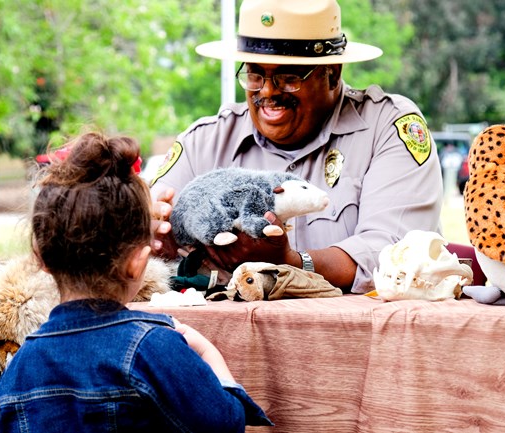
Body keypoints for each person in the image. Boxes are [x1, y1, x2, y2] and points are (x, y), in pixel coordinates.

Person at [150, 0, 443, 294]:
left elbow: (395, 256)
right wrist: (159, 235)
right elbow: (144, 225)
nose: (266, 91)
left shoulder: (387, 128)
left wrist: (291, 263)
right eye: (254, 75)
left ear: (332, 72)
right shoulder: (206, 140)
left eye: (288, 77)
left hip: (356, 336)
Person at [0, 132, 272, 432]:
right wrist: (206, 352)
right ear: (138, 263)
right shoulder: (153, 348)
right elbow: (225, 425)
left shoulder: (18, 368)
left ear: (40, 258)